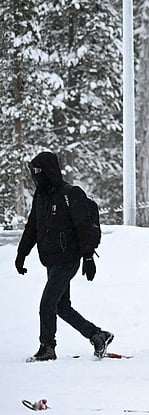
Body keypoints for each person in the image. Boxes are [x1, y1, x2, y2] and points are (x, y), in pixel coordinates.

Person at [16, 151, 113, 362]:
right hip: (51, 259)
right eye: (33, 171)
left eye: (39, 170)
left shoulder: (71, 194)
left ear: (50, 170)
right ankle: (98, 335)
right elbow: (32, 226)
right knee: (61, 306)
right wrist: (21, 253)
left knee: (47, 303)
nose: (36, 175)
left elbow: (84, 228)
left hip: (68, 259)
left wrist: (88, 258)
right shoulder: (40, 196)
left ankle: (47, 347)